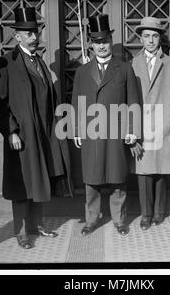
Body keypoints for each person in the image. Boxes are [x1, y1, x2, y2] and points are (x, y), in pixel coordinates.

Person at [0, 7, 73, 249]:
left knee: (39, 179)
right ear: (17, 36)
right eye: (28, 34)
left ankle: (36, 226)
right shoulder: (5, 63)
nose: (34, 37)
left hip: (44, 133)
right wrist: (11, 131)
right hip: (22, 135)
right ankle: (20, 232)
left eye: (35, 32)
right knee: (22, 184)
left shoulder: (39, 62)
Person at [71, 14, 140, 236]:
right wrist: (76, 129)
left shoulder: (124, 68)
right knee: (92, 178)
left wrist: (132, 130)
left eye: (105, 41)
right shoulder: (82, 72)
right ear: (91, 44)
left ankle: (119, 220)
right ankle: (91, 219)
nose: (101, 46)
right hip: (91, 132)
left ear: (110, 41)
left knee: (117, 177)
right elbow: (77, 102)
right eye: (97, 42)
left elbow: (133, 102)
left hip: (116, 132)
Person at [131, 17, 170, 230]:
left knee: (161, 169)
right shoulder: (133, 64)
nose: (151, 40)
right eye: (146, 36)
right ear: (141, 38)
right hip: (142, 125)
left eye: (155, 36)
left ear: (160, 38)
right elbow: (128, 96)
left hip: (164, 124)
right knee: (144, 171)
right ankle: (146, 214)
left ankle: (159, 213)